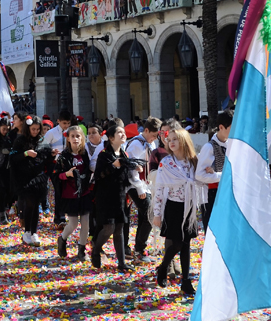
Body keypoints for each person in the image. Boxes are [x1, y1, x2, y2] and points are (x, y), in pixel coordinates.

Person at [152, 127, 212, 295]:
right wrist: (157, 214)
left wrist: (210, 172)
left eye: (175, 139)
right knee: (176, 243)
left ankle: (186, 281)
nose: (171, 142)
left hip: (190, 207)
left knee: (186, 245)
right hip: (173, 207)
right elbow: (160, 188)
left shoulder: (194, 161)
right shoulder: (166, 163)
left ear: (184, 141)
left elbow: (201, 179)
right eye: (169, 139)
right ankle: (163, 267)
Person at [91, 124, 138, 272]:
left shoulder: (124, 154)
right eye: (119, 133)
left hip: (121, 195)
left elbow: (127, 176)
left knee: (119, 229)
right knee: (109, 227)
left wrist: (135, 168)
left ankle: (122, 263)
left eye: (124, 133)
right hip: (105, 196)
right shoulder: (104, 154)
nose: (123, 135)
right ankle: (96, 249)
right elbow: (98, 175)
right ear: (111, 138)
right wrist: (113, 166)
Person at [11, 115, 54, 246]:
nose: (35, 132)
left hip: (39, 177)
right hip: (24, 178)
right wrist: (25, 154)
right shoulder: (20, 140)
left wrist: (52, 154)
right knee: (29, 203)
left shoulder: (42, 140)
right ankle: (27, 231)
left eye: (37, 129)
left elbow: (46, 156)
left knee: (36, 204)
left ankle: (34, 232)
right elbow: (13, 158)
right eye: (33, 129)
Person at [123, 117, 160, 263]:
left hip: (146, 184)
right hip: (134, 184)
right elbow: (131, 168)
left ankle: (139, 249)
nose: (154, 138)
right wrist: (139, 188)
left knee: (144, 216)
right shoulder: (136, 144)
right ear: (145, 130)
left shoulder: (150, 143)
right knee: (149, 215)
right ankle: (139, 250)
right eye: (153, 135)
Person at [54, 125, 93, 261]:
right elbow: (57, 175)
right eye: (73, 136)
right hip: (70, 195)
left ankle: (82, 250)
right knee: (73, 224)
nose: (76, 138)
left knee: (86, 223)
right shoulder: (64, 156)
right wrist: (67, 174)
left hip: (84, 193)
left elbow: (89, 170)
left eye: (78, 136)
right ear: (68, 139)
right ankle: (62, 239)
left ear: (82, 137)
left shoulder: (85, 153)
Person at [195, 110, 233, 230]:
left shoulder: (231, 145)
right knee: (213, 230)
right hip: (211, 195)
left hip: (227, 192)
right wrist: (222, 175)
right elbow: (199, 175)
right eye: (232, 128)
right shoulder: (209, 147)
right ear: (221, 127)